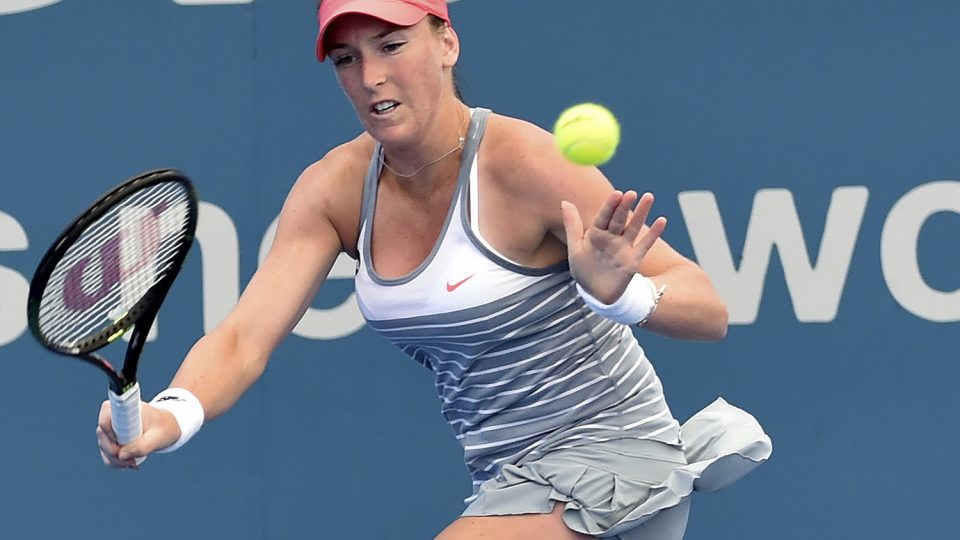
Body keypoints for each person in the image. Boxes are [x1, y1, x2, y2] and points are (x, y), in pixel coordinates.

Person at [97, 1, 771, 538]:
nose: (370, 77)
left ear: (445, 43)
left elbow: (710, 310)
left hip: (617, 462)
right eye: (346, 58)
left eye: (392, 45)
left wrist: (619, 295)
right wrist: (169, 418)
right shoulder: (333, 190)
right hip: (505, 486)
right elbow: (243, 339)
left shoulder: (527, 163)